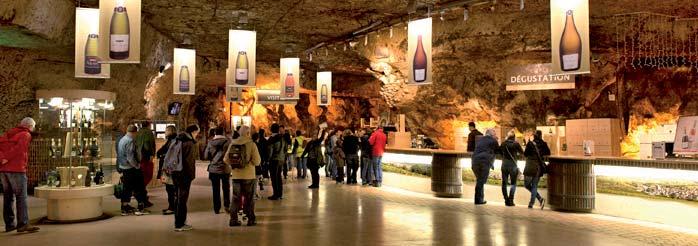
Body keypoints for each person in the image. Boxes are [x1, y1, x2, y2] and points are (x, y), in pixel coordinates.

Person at [0, 117, 40, 233]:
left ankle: (10, 224)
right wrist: (6, 158)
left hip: (3, 170)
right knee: (21, 197)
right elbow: (20, 149)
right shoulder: (25, 135)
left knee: (8, 197)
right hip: (17, 169)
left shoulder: (8, 134)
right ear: (30, 126)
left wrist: (2, 159)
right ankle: (23, 224)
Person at [225, 126, 261, 226]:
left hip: (236, 176)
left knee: (235, 198)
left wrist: (235, 164)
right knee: (249, 198)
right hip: (249, 176)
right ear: (248, 133)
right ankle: (250, 219)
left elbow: (226, 159)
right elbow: (257, 161)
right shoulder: (252, 144)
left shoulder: (233, 143)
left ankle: (233, 220)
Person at [118, 125, 150, 215]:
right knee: (139, 187)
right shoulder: (130, 141)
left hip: (124, 167)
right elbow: (130, 157)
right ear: (134, 132)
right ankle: (140, 208)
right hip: (131, 168)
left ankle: (124, 207)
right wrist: (137, 166)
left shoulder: (122, 139)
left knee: (127, 188)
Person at [173, 124, 199, 232]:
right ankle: (180, 224)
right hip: (184, 174)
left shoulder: (177, 140)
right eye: (197, 132)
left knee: (178, 198)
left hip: (175, 172)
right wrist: (191, 176)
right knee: (182, 199)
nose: (197, 135)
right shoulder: (189, 143)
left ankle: (177, 221)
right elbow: (189, 162)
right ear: (193, 132)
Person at [205, 127, 231, 214]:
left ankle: (217, 208)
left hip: (214, 169)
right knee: (226, 188)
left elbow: (205, 156)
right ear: (223, 133)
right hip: (225, 168)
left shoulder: (210, 143)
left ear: (215, 133)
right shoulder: (228, 142)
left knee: (215, 189)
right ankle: (227, 206)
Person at [472, 129, 499, 205]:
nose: (495, 135)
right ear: (491, 135)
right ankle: (478, 200)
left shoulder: (479, 140)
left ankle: (480, 199)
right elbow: (498, 151)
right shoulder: (493, 141)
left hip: (474, 161)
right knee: (481, 181)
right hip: (484, 162)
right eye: (494, 134)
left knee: (480, 180)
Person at [524, 130, 550, 209]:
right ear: (541, 135)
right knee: (534, 186)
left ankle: (533, 203)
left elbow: (525, 154)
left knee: (527, 185)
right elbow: (548, 153)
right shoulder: (544, 144)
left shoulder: (530, 143)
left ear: (534, 136)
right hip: (538, 167)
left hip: (529, 166)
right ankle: (539, 200)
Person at [156, 125, 177, 215]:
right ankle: (172, 206)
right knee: (170, 188)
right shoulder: (172, 140)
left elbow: (167, 153)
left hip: (169, 169)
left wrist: (161, 155)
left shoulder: (172, 141)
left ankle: (172, 207)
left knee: (170, 188)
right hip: (169, 168)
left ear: (170, 131)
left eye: (166, 130)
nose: (165, 132)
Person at [500, 130, 524, 207]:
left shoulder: (503, 143)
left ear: (508, 136)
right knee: (513, 183)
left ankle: (506, 199)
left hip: (504, 165)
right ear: (514, 137)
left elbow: (499, 151)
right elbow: (522, 153)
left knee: (504, 183)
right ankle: (511, 200)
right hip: (513, 165)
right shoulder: (516, 144)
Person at [135, 121, 156, 208]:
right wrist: (151, 155)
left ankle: (141, 194)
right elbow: (148, 144)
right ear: (148, 125)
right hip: (146, 157)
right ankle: (140, 193)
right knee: (148, 175)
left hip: (139, 157)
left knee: (142, 176)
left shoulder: (138, 132)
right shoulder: (148, 132)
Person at [267, 123, 286, 200]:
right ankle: (280, 194)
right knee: (279, 177)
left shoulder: (272, 139)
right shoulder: (282, 138)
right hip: (281, 159)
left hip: (274, 160)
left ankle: (275, 194)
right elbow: (285, 149)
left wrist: (268, 159)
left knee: (274, 178)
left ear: (271, 129)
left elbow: (270, 151)